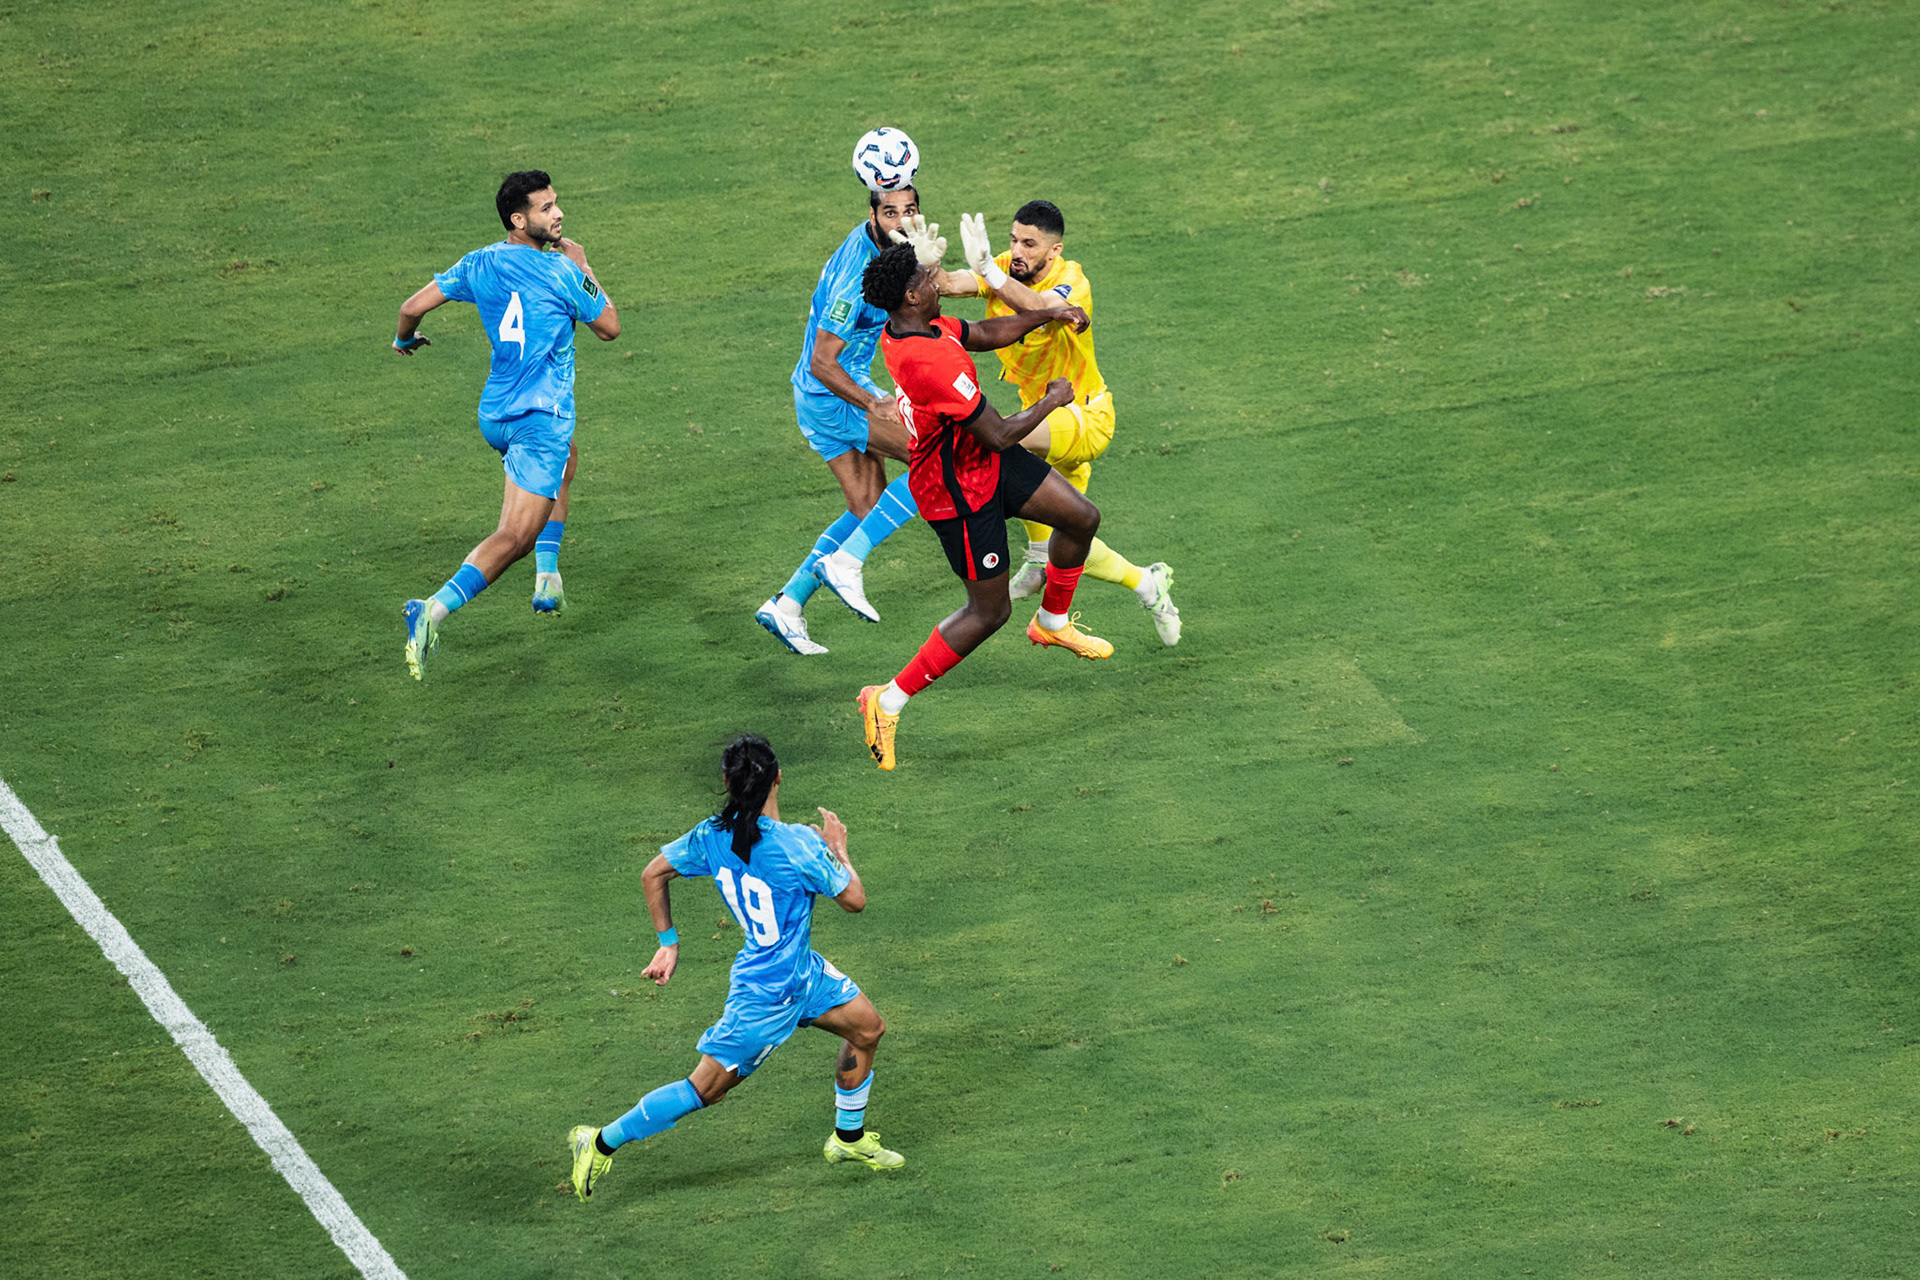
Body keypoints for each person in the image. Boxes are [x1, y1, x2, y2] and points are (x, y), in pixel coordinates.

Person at [568, 734, 902, 1200]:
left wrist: (669, 943)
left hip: (802, 975)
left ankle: (848, 1140)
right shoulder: (800, 845)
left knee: (867, 1029)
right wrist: (837, 847)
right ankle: (600, 1140)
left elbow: (653, 873)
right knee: (705, 1089)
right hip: (764, 999)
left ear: (726, 782)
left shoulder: (711, 836)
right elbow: (855, 901)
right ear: (778, 777)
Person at [853, 242, 1111, 773]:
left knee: (1081, 517)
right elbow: (996, 434)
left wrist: (1046, 312)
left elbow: (984, 332)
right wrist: (1052, 400)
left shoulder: (918, 328)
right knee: (989, 611)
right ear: (909, 296)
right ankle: (887, 699)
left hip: (978, 459)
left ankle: (1053, 621)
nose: (936, 281)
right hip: (957, 491)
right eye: (928, 278)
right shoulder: (930, 362)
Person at [391, 170, 620, 680]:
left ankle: (548, 577)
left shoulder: (479, 263)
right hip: (540, 420)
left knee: (569, 458)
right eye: (545, 208)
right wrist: (584, 266)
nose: (558, 213)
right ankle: (430, 611)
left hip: (496, 414)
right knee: (513, 536)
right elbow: (609, 326)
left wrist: (405, 340)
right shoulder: (562, 272)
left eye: (557, 203)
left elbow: (410, 309)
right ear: (520, 220)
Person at [937, 200, 1181, 645]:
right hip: (1049, 419)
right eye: (1013, 240)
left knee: (1000, 443)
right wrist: (920, 259)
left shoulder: (1072, 280)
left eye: (1029, 244)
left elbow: (1040, 307)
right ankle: (1147, 583)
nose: (1018, 251)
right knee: (1069, 540)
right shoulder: (1008, 266)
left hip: (1086, 416)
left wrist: (992, 273)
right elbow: (948, 285)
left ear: (1055, 250)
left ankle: (1036, 559)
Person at [753, 181, 927, 655]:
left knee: (867, 505)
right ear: (872, 214)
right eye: (890, 213)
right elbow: (824, 361)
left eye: (909, 211)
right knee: (933, 457)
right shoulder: (856, 276)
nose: (901, 221)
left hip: (818, 396)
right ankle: (846, 562)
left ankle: (787, 605)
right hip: (832, 396)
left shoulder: (881, 244)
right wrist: (874, 403)